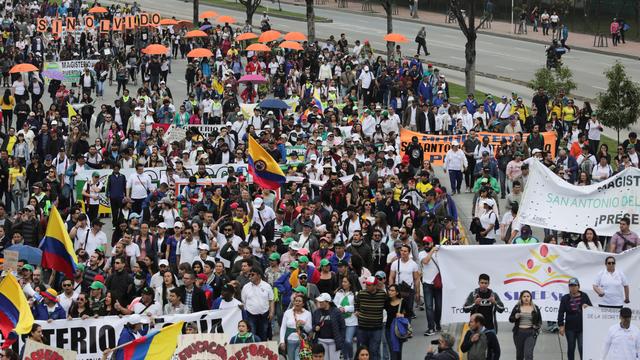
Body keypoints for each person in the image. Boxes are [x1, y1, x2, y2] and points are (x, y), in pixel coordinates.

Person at [558, 277, 592, 360]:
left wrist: (588, 307)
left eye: (574, 285)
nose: (573, 287)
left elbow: (591, 309)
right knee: (571, 347)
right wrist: (561, 326)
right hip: (570, 327)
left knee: (582, 347)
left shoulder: (584, 295)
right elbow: (561, 312)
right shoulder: (565, 298)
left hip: (582, 326)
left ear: (578, 286)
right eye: (571, 286)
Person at [355, 276, 387, 360]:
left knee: (374, 350)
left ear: (375, 285)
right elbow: (356, 303)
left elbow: (388, 306)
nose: (367, 286)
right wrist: (357, 310)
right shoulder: (361, 293)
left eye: (369, 285)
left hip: (376, 328)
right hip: (363, 328)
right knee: (364, 351)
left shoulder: (382, 294)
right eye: (366, 284)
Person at [241, 268, 274, 342]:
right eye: (250, 275)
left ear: (259, 276)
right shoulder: (246, 287)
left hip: (264, 315)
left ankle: (263, 352)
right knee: (252, 335)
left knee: (264, 334)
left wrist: (271, 312)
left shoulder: (267, 286)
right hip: (251, 315)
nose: (250, 276)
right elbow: (244, 302)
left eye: (253, 275)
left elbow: (271, 300)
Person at [509, 290, 542, 360]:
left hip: (531, 333)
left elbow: (539, 321)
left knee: (528, 354)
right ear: (521, 298)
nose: (526, 298)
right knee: (519, 355)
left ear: (530, 298)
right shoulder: (517, 307)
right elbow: (510, 319)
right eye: (524, 296)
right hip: (518, 333)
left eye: (528, 296)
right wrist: (515, 317)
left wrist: (536, 326)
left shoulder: (535, 308)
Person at [312, 293, 345, 360]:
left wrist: (341, 339)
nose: (319, 303)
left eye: (321, 302)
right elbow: (313, 325)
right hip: (321, 341)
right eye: (319, 302)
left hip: (334, 341)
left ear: (327, 302)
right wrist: (315, 328)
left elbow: (343, 326)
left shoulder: (336, 311)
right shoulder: (316, 312)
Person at [279, 293, 312, 360]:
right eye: (296, 301)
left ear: (303, 304)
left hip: (302, 341)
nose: (297, 303)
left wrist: (304, 323)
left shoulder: (308, 313)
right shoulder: (287, 313)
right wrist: (282, 341)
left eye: (299, 301)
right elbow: (283, 328)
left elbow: (309, 329)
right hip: (290, 341)